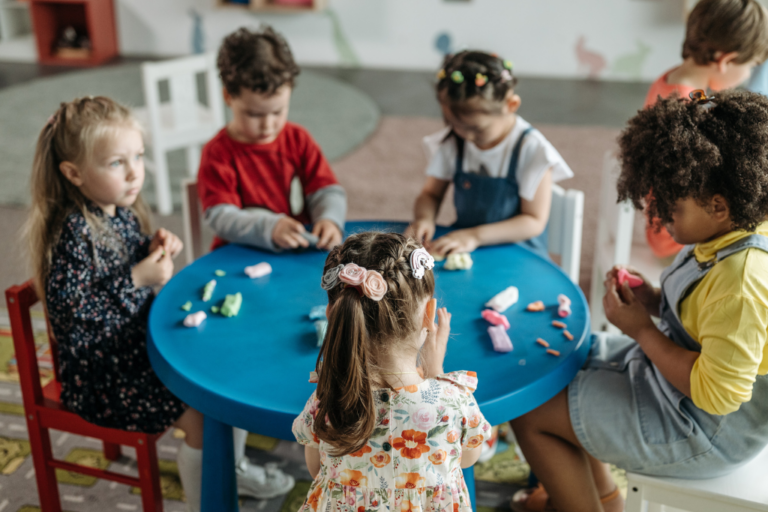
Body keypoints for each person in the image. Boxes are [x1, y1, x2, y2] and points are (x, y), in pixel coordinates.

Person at [26, 97, 293, 512]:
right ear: (74, 173)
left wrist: (151, 250)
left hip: (135, 346)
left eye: (138, 156)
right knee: (206, 415)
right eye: (117, 163)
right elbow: (73, 313)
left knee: (223, 372)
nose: (135, 172)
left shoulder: (117, 212)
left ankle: (232, 468)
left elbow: (124, 270)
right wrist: (138, 277)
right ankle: (207, 501)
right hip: (102, 375)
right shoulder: (73, 235)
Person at [509, 90, 768, 512]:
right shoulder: (729, 229)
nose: (661, 217)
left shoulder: (743, 282)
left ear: (719, 206)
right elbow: (704, 319)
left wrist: (642, 330)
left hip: (706, 432)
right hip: (672, 387)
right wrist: (651, 299)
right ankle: (605, 500)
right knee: (556, 368)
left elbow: (716, 396)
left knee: (531, 414)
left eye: (672, 208)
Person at [292, 232, 490, 512]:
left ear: (332, 314)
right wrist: (435, 374)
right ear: (428, 316)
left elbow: (316, 469)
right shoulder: (453, 402)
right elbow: (468, 457)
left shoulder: (327, 401)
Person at [406, 51, 572, 260]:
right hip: (466, 247)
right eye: (455, 125)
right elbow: (431, 194)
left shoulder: (531, 150)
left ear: (510, 106)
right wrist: (424, 219)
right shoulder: (453, 142)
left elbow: (533, 220)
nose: (466, 136)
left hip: (518, 253)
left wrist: (475, 236)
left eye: (476, 128)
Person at [198, 25, 346, 253]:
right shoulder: (218, 152)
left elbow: (325, 189)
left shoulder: (298, 139)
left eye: (278, 112)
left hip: (290, 246)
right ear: (228, 96)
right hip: (237, 253)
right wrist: (269, 227)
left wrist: (329, 219)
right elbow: (221, 217)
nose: (268, 125)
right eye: (254, 114)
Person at [643, 0, 768, 259]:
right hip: (681, 238)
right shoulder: (687, 111)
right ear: (726, 60)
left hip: (666, 221)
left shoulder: (673, 81)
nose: (747, 75)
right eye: (750, 66)